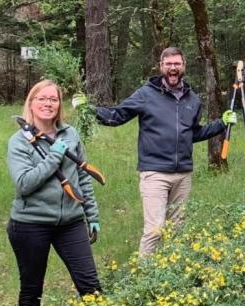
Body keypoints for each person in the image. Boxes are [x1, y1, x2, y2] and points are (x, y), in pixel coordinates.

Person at [76, 47, 236, 256]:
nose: (172, 68)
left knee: (177, 229)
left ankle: (173, 270)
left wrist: (221, 124)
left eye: (176, 63)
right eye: (168, 64)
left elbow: (192, 133)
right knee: (154, 230)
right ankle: (144, 273)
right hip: (154, 173)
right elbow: (117, 116)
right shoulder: (146, 94)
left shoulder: (193, 100)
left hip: (183, 174)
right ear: (161, 66)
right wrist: (88, 110)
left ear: (184, 66)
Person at [6, 80, 102, 306]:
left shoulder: (71, 134)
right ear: (31, 103)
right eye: (42, 98)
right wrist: (53, 158)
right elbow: (24, 184)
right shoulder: (19, 141)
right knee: (32, 289)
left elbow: (82, 176)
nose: (48, 104)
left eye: (53, 99)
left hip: (70, 222)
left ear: (60, 104)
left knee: (90, 285)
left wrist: (92, 214)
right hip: (30, 225)